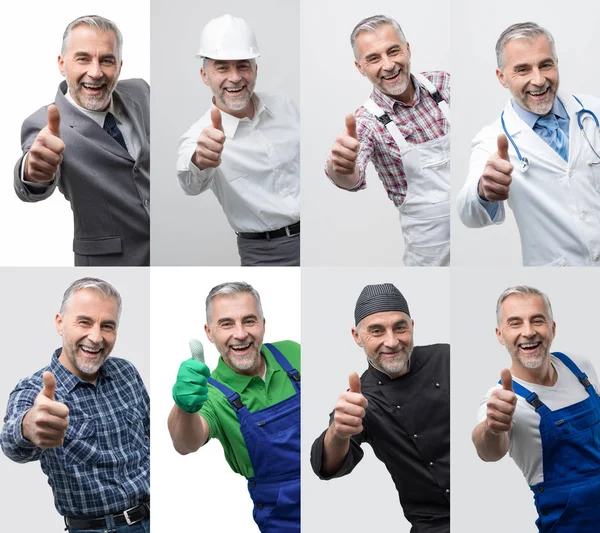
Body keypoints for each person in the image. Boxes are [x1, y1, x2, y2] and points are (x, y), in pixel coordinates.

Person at [0, 277, 150, 532]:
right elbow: (12, 444)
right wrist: (29, 426)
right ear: (60, 323)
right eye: (84, 322)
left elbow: (150, 437)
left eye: (107, 326)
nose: (96, 337)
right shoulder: (34, 390)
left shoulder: (126, 372)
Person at [457, 22, 600, 267]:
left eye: (546, 65)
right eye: (522, 70)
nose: (538, 79)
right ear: (502, 77)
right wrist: (484, 189)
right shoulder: (492, 139)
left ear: (556, 63)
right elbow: (467, 212)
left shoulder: (593, 111)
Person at [310, 283, 449, 532]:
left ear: (412, 327)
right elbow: (326, 467)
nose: (392, 341)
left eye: (400, 328)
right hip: (433, 524)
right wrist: (338, 432)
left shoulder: (446, 358)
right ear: (357, 336)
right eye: (377, 331)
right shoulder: (360, 398)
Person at [14, 15, 150, 267]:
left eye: (106, 60)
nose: (95, 72)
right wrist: (34, 172)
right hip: (111, 265)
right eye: (83, 58)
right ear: (62, 64)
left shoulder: (141, 92)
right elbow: (31, 177)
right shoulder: (43, 123)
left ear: (119, 66)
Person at [168, 281, 300, 532]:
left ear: (263, 323)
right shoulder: (210, 393)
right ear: (209, 332)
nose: (240, 334)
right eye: (226, 324)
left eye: (249, 321)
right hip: (284, 519)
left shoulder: (293, 353)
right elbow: (185, 444)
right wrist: (184, 407)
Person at [325, 15, 451, 267]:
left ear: (407, 49)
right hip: (430, 254)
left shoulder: (444, 84)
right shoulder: (366, 122)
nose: (388, 65)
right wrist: (341, 168)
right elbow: (350, 178)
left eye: (393, 51)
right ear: (360, 67)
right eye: (373, 58)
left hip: (475, 231)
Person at [473, 285, 600, 532]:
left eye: (537, 321)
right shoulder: (501, 400)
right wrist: (492, 427)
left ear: (552, 328)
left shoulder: (579, 367)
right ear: (500, 335)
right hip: (569, 525)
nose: (528, 332)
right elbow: (488, 451)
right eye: (515, 323)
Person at [176, 15, 300, 267]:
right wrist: (200, 160)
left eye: (243, 65)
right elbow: (190, 184)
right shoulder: (201, 136)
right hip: (266, 254)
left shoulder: (284, 106)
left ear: (255, 69)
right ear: (204, 75)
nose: (234, 77)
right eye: (222, 67)